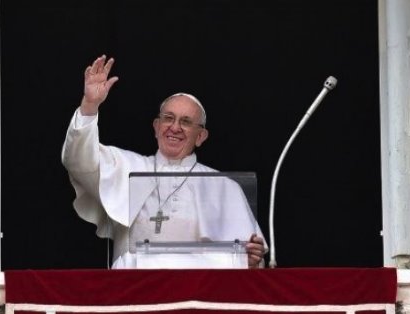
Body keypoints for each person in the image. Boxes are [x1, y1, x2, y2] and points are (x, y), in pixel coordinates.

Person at [62, 55, 266, 269]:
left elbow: (248, 262)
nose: (175, 127)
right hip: (133, 291)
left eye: (186, 122)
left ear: (200, 137)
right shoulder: (126, 166)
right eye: (168, 118)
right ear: (156, 127)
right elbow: (78, 160)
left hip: (198, 294)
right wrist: (89, 106)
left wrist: (251, 258)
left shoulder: (225, 187)